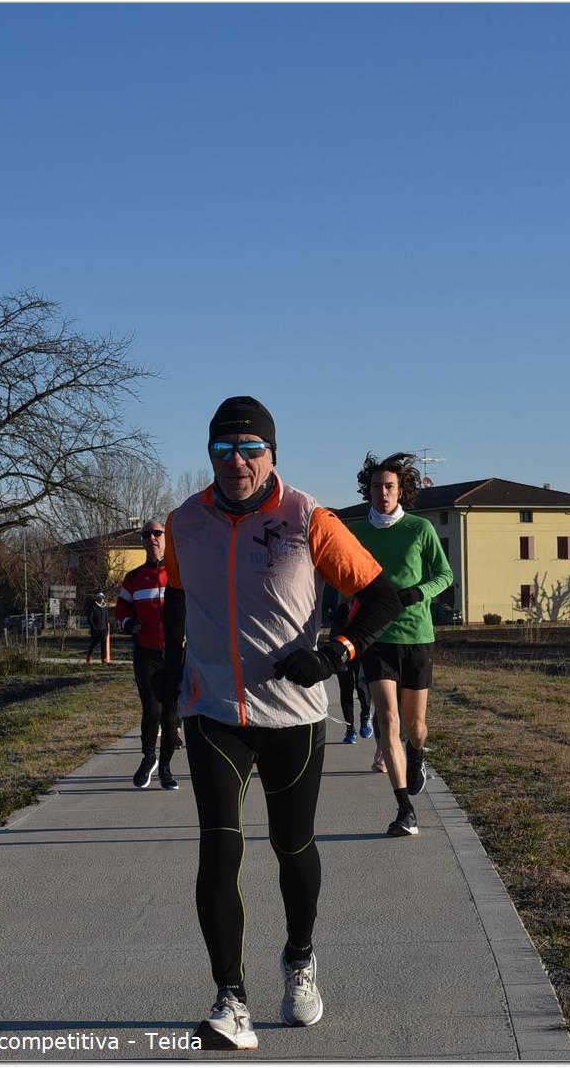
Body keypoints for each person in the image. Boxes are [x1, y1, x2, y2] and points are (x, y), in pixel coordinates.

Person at [160, 396, 402, 1050]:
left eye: (250, 449)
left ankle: (299, 957)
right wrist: (170, 674)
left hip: (292, 714)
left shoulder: (306, 517)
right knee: (219, 847)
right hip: (214, 711)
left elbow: (381, 596)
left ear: (272, 454)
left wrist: (336, 652)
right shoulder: (185, 522)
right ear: (209, 455)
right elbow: (177, 598)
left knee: (292, 846)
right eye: (223, 449)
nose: (236, 461)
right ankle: (230, 998)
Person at [346, 451, 454, 838]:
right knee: (388, 720)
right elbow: (345, 576)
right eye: (376, 486)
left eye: (389, 486)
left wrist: (418, 593)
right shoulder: (357, 532)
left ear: (402, 490)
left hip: (417, 636)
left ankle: (417, 753)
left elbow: (445, 575)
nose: (383, 493)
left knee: (415, 726)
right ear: (369, 490)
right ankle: (405, 809)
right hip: (377, 638)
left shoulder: (420, 529)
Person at [116, 521, 179, 790]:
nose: (151, 538)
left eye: (156, 533)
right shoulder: (133, 577)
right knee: (152, 709)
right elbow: (121, 609)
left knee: (171, 716)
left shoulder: (179, 574)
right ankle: (149, 757)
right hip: (146, 653)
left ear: (166, 539)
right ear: (141, 541)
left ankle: (165, 770)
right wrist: (128, 623)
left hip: (175, 655)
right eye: (146, 535)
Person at [322, 586, 372, 744]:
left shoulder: (363, 591)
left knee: (362, 685)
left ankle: (365, 717)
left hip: (360, 645)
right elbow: (323, 610)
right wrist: (337, 610)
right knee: (346, 688)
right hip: (340, 645)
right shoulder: (333, 590)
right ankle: (350, 730)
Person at [84, 591, 109, 666]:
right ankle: (89, 657)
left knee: (103, 645)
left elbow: (106, 619)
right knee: (93, 644)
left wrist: (107, 629)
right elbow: (90, 619)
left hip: (103, 630)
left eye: (103, 598)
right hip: (96, 630)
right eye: (100, 598)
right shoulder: (93, 607)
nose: (102, 599)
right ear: (97, 598)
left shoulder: (105, 607)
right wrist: (93, 628)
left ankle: (103, 659)